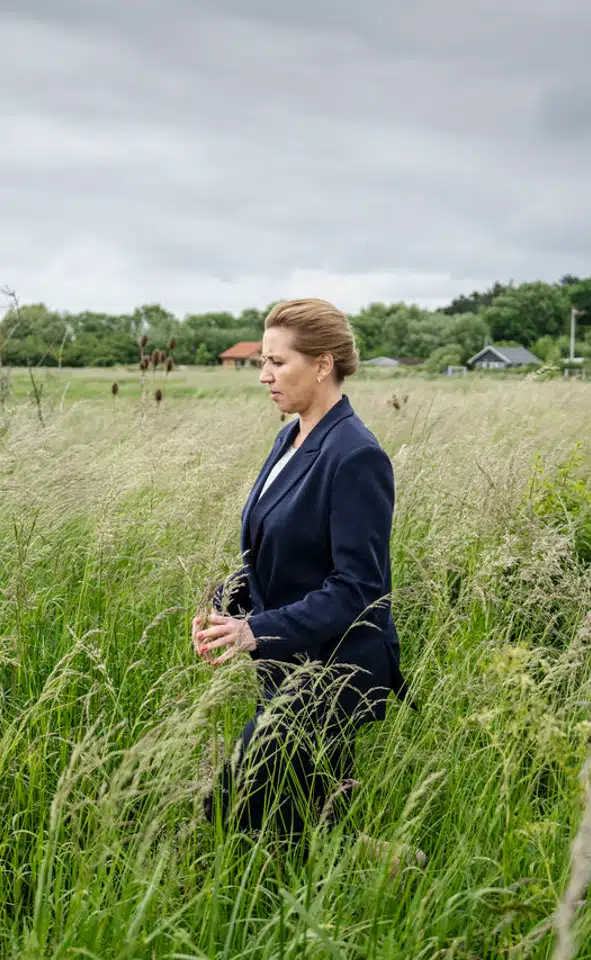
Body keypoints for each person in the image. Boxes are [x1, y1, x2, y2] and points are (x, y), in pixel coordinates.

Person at [193, 298, 410, 841]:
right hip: (288, 662)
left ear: (322, 364)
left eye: (277, 362)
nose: (264, 376)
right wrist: (225, 608)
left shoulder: (355, 454)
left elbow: (358, 587)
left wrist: (254, 631)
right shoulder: (289, 438)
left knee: (231, 806)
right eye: (261, 362)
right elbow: (270, 548)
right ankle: (380, 875)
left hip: (334, 672)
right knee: (306, 826)